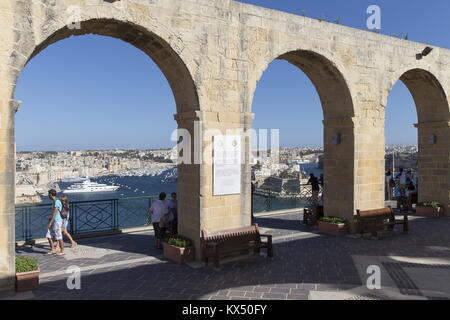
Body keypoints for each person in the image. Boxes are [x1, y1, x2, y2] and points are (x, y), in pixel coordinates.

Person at [45, 189, 65, 256]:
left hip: (57, 221)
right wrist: (51, 220)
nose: (48, 196)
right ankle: (53, 249)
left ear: (50, 195)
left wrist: (50, 221)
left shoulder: (57, 201)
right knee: (48, 235)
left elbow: (55, 212)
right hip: (54, 221)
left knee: (59, 236)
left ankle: (62, 251)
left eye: (48, 195)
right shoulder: (55, 201)